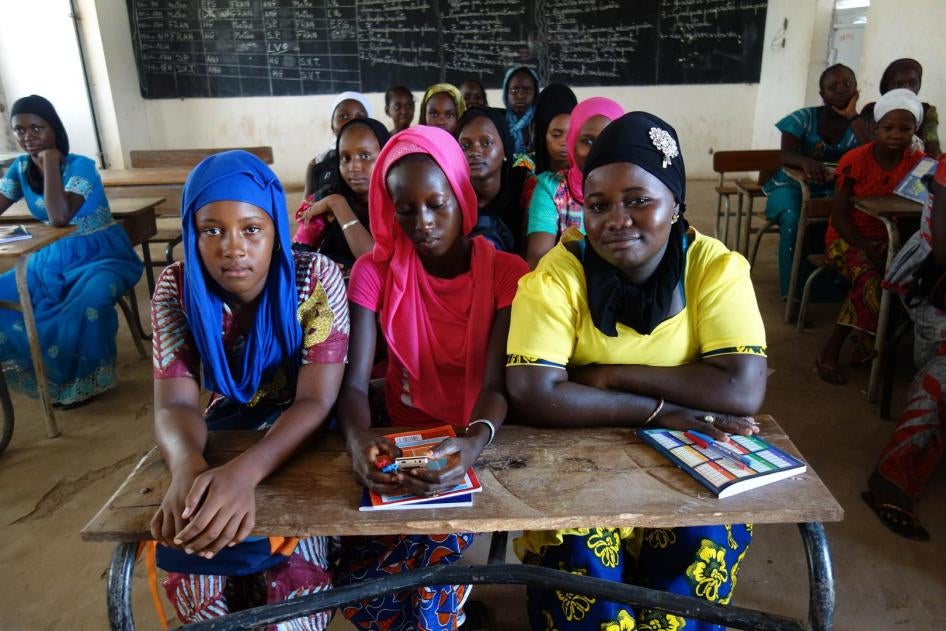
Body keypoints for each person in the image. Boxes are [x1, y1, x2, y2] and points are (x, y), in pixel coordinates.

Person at [506, 111, 767, 631]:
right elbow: (533, 393)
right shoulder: (559, 275)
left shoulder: (714, 269)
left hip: (688, 460)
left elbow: (741, 388)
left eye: (638, 200)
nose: (615, 219)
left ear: (676, 204)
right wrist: (666, 409)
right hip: (579, 467)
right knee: (588, 582)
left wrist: (607, 376)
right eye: (597, 205)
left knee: (695, 563)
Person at [336, 125, 528, 631]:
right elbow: (354, 385)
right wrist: (358, 442)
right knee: (360, 582)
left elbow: (495, 385)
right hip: (402, 436)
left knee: (424, 572)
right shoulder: (373, 274)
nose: (421, 222)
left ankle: (443, 616)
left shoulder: (507, 274)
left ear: (461, 198)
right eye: (404, 208)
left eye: (436, 204)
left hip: (476, 439)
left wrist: (470, 444)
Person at [149, 150, 348, 627]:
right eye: (211, 230)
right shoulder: (177, 288)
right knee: (195, 556)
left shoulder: (316, 279)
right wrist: (187, 468)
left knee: (291, 584)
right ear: (191, 233)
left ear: (277, 228)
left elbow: (315, 399)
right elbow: (175, 401)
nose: (232, 248)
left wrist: (244, 474)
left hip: (305, 430)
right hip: (228, 423)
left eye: (251, 229)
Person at [0, 95, 143, 407]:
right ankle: (42, 372)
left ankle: (83, 382)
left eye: (36, 127)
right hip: (49, 257)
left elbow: (60, 216)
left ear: (54, 128)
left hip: (101, 256)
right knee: (4, 292)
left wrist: (51, 163)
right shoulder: (19, 169)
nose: (28, 136)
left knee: (88, 304)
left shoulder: (82, 167)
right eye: (20, 130)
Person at [815, 89, 927, 385]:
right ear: (875, 128)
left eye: (905, 129)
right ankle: (831, 350)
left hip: (892, 240)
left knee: (915, 279)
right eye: (888, 128)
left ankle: (869, 349)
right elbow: (839, 217)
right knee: (872, 279)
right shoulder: (856, 160)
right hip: (846, 240)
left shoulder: (917, 160)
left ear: (915, 130)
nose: (896, 135)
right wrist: (868, 249)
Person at [865, 151, 946, 541]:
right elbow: (944, 245)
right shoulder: (942, 170)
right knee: (940, 372)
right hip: (939, 276)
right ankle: (893, 474)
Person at [763, 64, 871, 299]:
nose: (841, 90)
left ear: (856, 90)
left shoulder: (860, 125)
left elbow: (871, 153)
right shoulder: (803, 118)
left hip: (835, 192)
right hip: (791, 187)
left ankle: (836, 286)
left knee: (857, 219)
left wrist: (852, 116)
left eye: (847, 84)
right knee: (794, 216)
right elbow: (785, 155)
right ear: (822, 94)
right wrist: (805, 161)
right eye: (832, 87)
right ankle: (792, 293)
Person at [525, 97, 623, 268]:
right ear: (572, 143)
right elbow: (538, 262)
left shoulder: (632, 192)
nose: (597, 151)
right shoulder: (552, 190)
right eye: (588, 141)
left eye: (607, 141)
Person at [293, 118, 390, 269]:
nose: (354, 167)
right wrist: (317, 266)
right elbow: (297, 255)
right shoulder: (324, 196)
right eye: (345, 158)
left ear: (386, 156)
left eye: (365, 156)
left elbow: (375, 263)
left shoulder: (398, 204)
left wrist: (338, 204)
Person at [456, 106, 532, 252]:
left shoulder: (525, 185)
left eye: (486, 143)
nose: (475, 152)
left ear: (505, 148)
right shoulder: (451, 194)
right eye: (465, 145)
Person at [861, 58, 940, 157]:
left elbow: (933, 149)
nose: (907, 89)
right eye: (898, 84)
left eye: (912, 83)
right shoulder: (872, 110)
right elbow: (867, 146)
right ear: (887, 87)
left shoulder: (926, 111)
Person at [304, 91, 371, 197]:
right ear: (332, 124)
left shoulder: (379, 159)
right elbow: (305, 209)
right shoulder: (317, 164)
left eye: (360, 117)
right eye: (343, 116)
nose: (351, 122)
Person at [532, 83, 578, 175]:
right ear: (542, 133)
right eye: (556, 135)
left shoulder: (585, 170)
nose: (564, 142)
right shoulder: (522, 167)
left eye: (571, 134)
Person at [502, 66, 540, 154]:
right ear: (506, 93)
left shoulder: (542, 122)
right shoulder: (498, 122)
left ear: (535, 94)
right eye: (514, 90)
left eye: (527, 91)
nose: (520, 96)